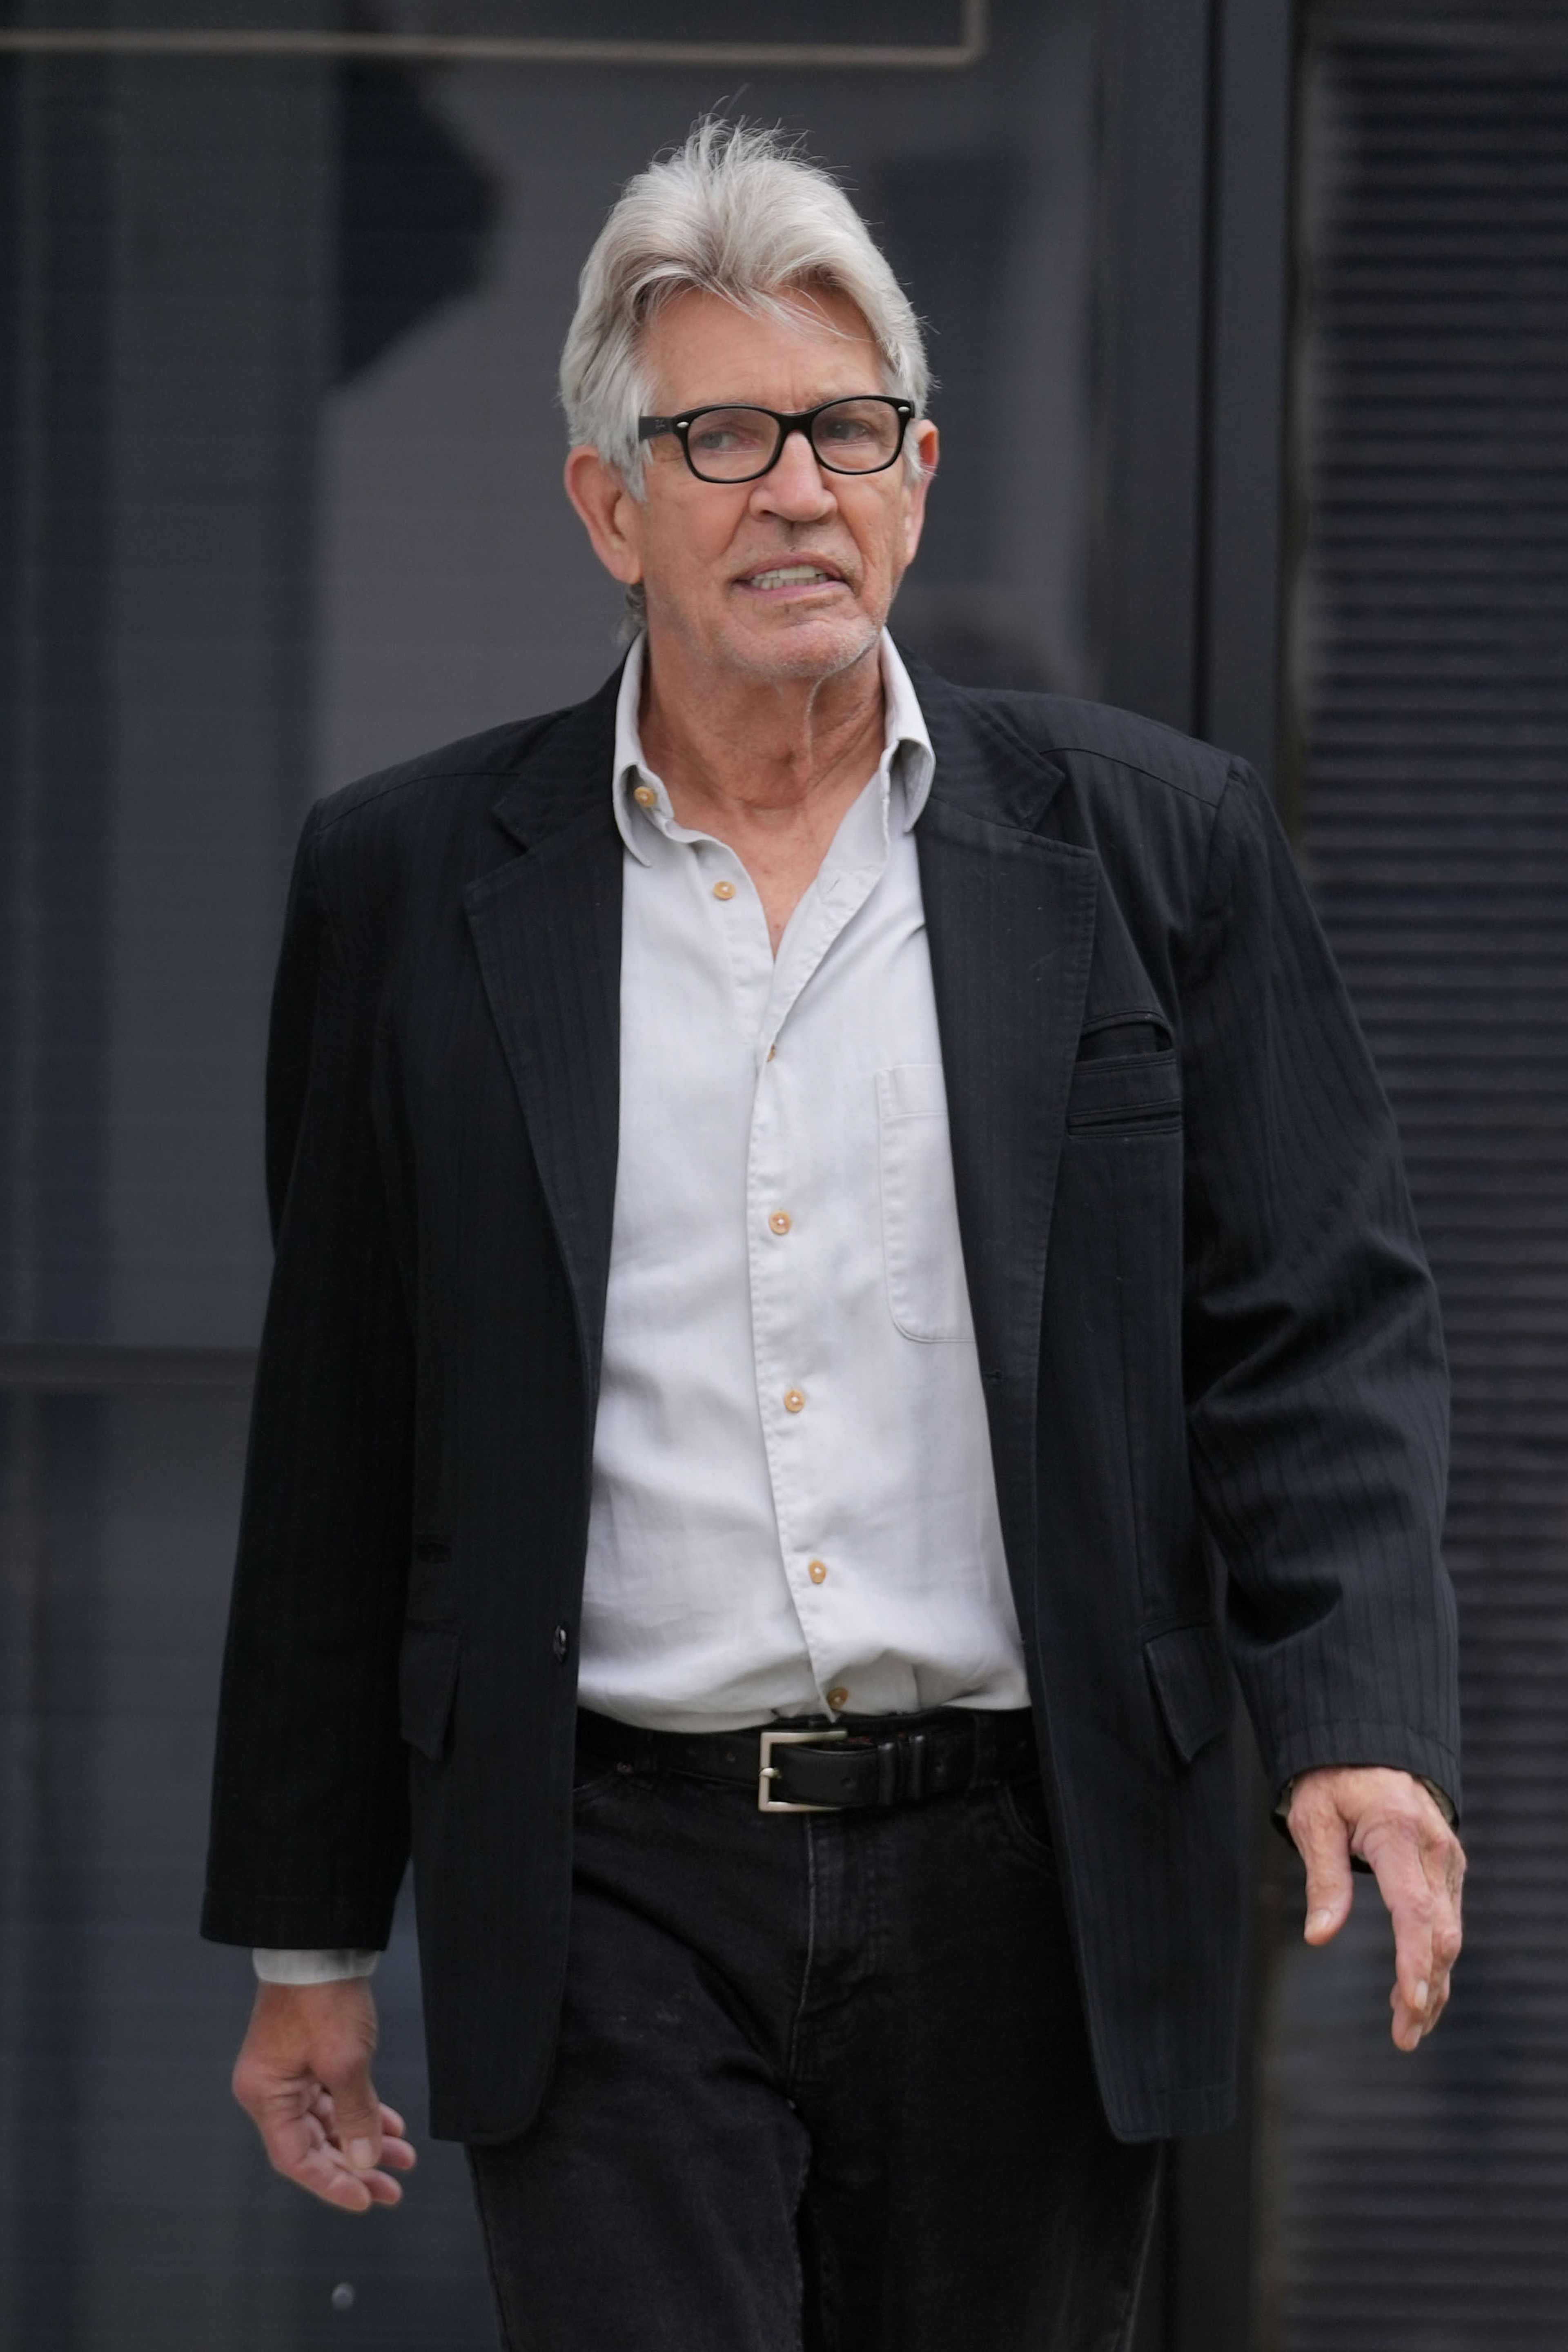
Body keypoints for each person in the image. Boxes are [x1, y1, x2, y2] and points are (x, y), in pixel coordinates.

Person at [205, 121, 1464, 2352]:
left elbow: (1313, 1324)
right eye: (726, 436)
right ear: (611, 505)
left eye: (850, 430)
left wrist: (1347, 1717)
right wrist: (310, 1941)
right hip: (607, 1876)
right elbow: (344, 1433)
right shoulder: (408, 885)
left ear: (922, 472)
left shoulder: (1152, 846)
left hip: (1032, 1858)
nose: (800, 486)